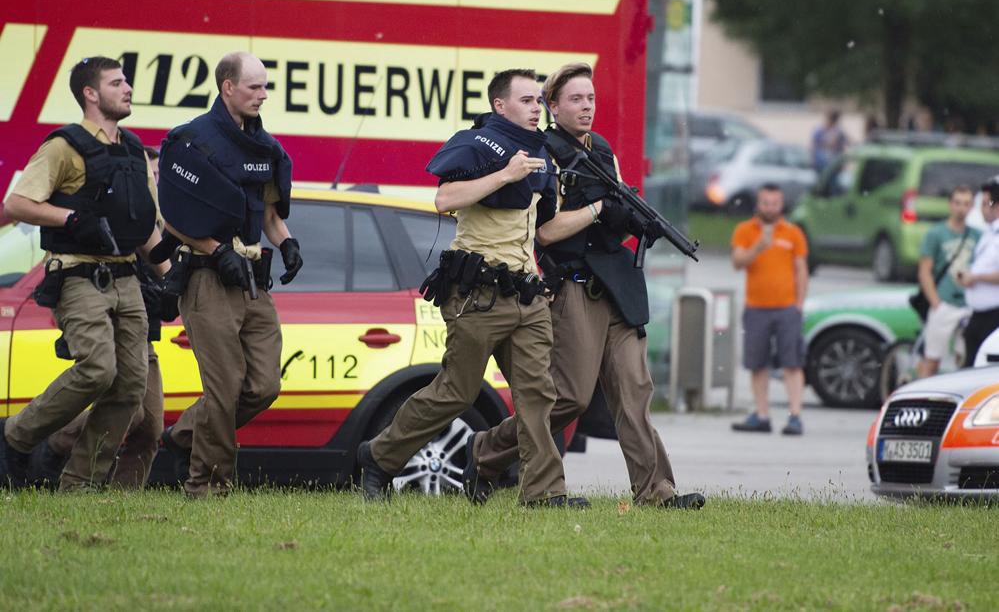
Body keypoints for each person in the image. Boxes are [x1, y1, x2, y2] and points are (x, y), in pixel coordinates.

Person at [462, 63, 704, 510]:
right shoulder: (544, 153)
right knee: (568, 396)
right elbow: (547, 231)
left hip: (618, 288)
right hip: (573, 287)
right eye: (575, 99)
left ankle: (657, 492)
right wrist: (598, 209)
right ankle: (486, 451)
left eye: (591, 98)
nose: (587, 106)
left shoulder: (603, 151)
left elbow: (613, 214)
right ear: (552, 107)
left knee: (634, 394)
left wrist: (632, 220)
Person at [356, 69, 580, 507]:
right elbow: (445, 199)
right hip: (478, 295)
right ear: (500, 105)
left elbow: (541, 228)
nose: (537, 107)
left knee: (539, 394)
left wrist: (593, 215)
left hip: (526, 296)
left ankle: (544, 493)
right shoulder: (475, 143)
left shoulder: (544, 156)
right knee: (456, 392)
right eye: (527, 100)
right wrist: (504, 175)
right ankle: (379, 458)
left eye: (539, 100)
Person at [0, 56, 164, 490]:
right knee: (97, 369)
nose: (127, 88)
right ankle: (17, 435)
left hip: (128, 278)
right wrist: (69, 220)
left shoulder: (133, 151)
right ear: (90, 94)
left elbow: (146, 227)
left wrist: (170, 275)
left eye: (126, 81)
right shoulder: (63, 146)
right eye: (116, 83)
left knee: (130, 389)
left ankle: (78, 485)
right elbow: (17, 204)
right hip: (78, 275)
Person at [156, 52, 303, 498]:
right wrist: (215, 250)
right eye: (254, 87)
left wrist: (287, 242)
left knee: (263, 385)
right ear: (227, 88)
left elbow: (269, 214)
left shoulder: (265, 147)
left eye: (265, 87)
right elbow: (173, 215)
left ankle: (183, 437)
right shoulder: (191, 141)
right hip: (206, 279)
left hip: (253, 280)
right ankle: (208, 485)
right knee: (224, 388)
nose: (263, 95)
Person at [38, 147, 173, 488]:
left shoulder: (162, 224)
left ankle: (121, 500)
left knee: (151, 426)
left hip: (145, 331)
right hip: (111, 319)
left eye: (158, 178)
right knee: (132, 411)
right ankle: (52, 447)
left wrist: (172, 292)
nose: (155, 183)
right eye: (150, 176)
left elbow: (165, 271)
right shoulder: (118, 218)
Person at [730, 184, 808, 435]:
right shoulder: (745, 230)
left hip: (786, 308)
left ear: (781, 204)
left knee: (792, 363)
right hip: (756, 308)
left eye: (774, 203)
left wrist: (799, 303)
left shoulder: (793, 232)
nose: (770, 208)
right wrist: (759, 247)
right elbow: (737, 263)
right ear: (758, 204)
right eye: (765, 203)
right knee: (757, 363)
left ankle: (794, 415)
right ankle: (762, 415)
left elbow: (801, 269)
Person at [916, 185, 978, 377]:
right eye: (958, 203)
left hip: (968, 304)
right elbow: (925, 271)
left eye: (966, 204)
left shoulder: (978, 235)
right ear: (950, 204)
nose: (962, 208)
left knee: (966, 360)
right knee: (932, 358)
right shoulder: (936, 234)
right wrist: (935, 302)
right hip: (945, 301)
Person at [958, 179, 999, 366]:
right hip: (978, 314)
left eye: (985, 203)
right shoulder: (989, 233)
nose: (982, 209)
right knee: (970, 365)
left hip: (994, 315)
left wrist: (975, 277)